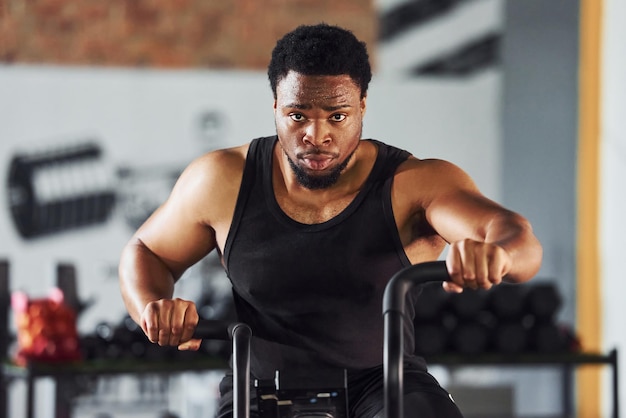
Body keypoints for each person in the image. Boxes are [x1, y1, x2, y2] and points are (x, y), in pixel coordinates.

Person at [119, 23, 542, 418]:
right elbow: (146, 251)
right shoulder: (222, 179)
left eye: (336, 117)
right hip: (259, 387)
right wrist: (152, 308)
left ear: (361, 107)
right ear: (275, 107)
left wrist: (496, 256)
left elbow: (517, 239)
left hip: (383, 383)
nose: (315, 136)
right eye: (297, 115)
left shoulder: (413, 183)